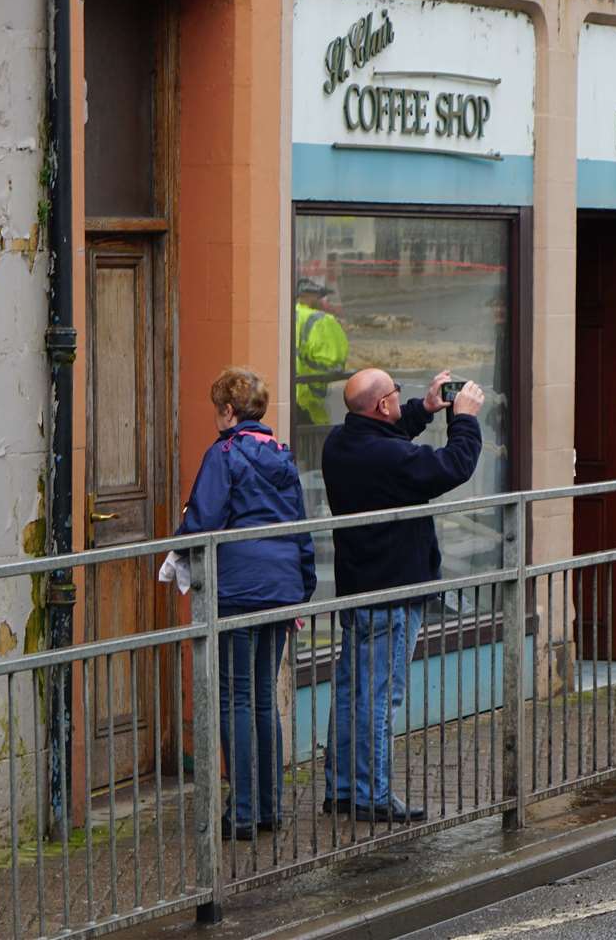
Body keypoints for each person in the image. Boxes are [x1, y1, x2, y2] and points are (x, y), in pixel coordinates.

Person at [320, 367, 485, 822]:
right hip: (393, 591)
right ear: (382, 406)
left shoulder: (339, 443)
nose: (401, 398)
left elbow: (384, 439)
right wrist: (463, 419)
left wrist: (424, 409)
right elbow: (453, 465)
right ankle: (372, 795)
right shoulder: (390, 458)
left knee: (351, 690)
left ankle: (341, 789)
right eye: (397, 394)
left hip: (358, 587)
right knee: (380, 698)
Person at [175, 367, 316, 839]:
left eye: (218, 410)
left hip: (238, 585)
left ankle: (242, 813)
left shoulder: (225, 454)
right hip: (280, 583)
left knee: (234, 697)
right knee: (262, 698)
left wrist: (178, 543)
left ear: (229, 412)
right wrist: (303, 582)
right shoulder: (282, 455)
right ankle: (270, 807)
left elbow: (204, 520)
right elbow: (300, 524)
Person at [292, 278, 349, 428]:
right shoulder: (320, 320)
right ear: (307, 297)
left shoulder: (283, 316)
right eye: (320, 297)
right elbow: (334, 364)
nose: (323, 302)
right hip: (309, 404)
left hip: (290, 399)